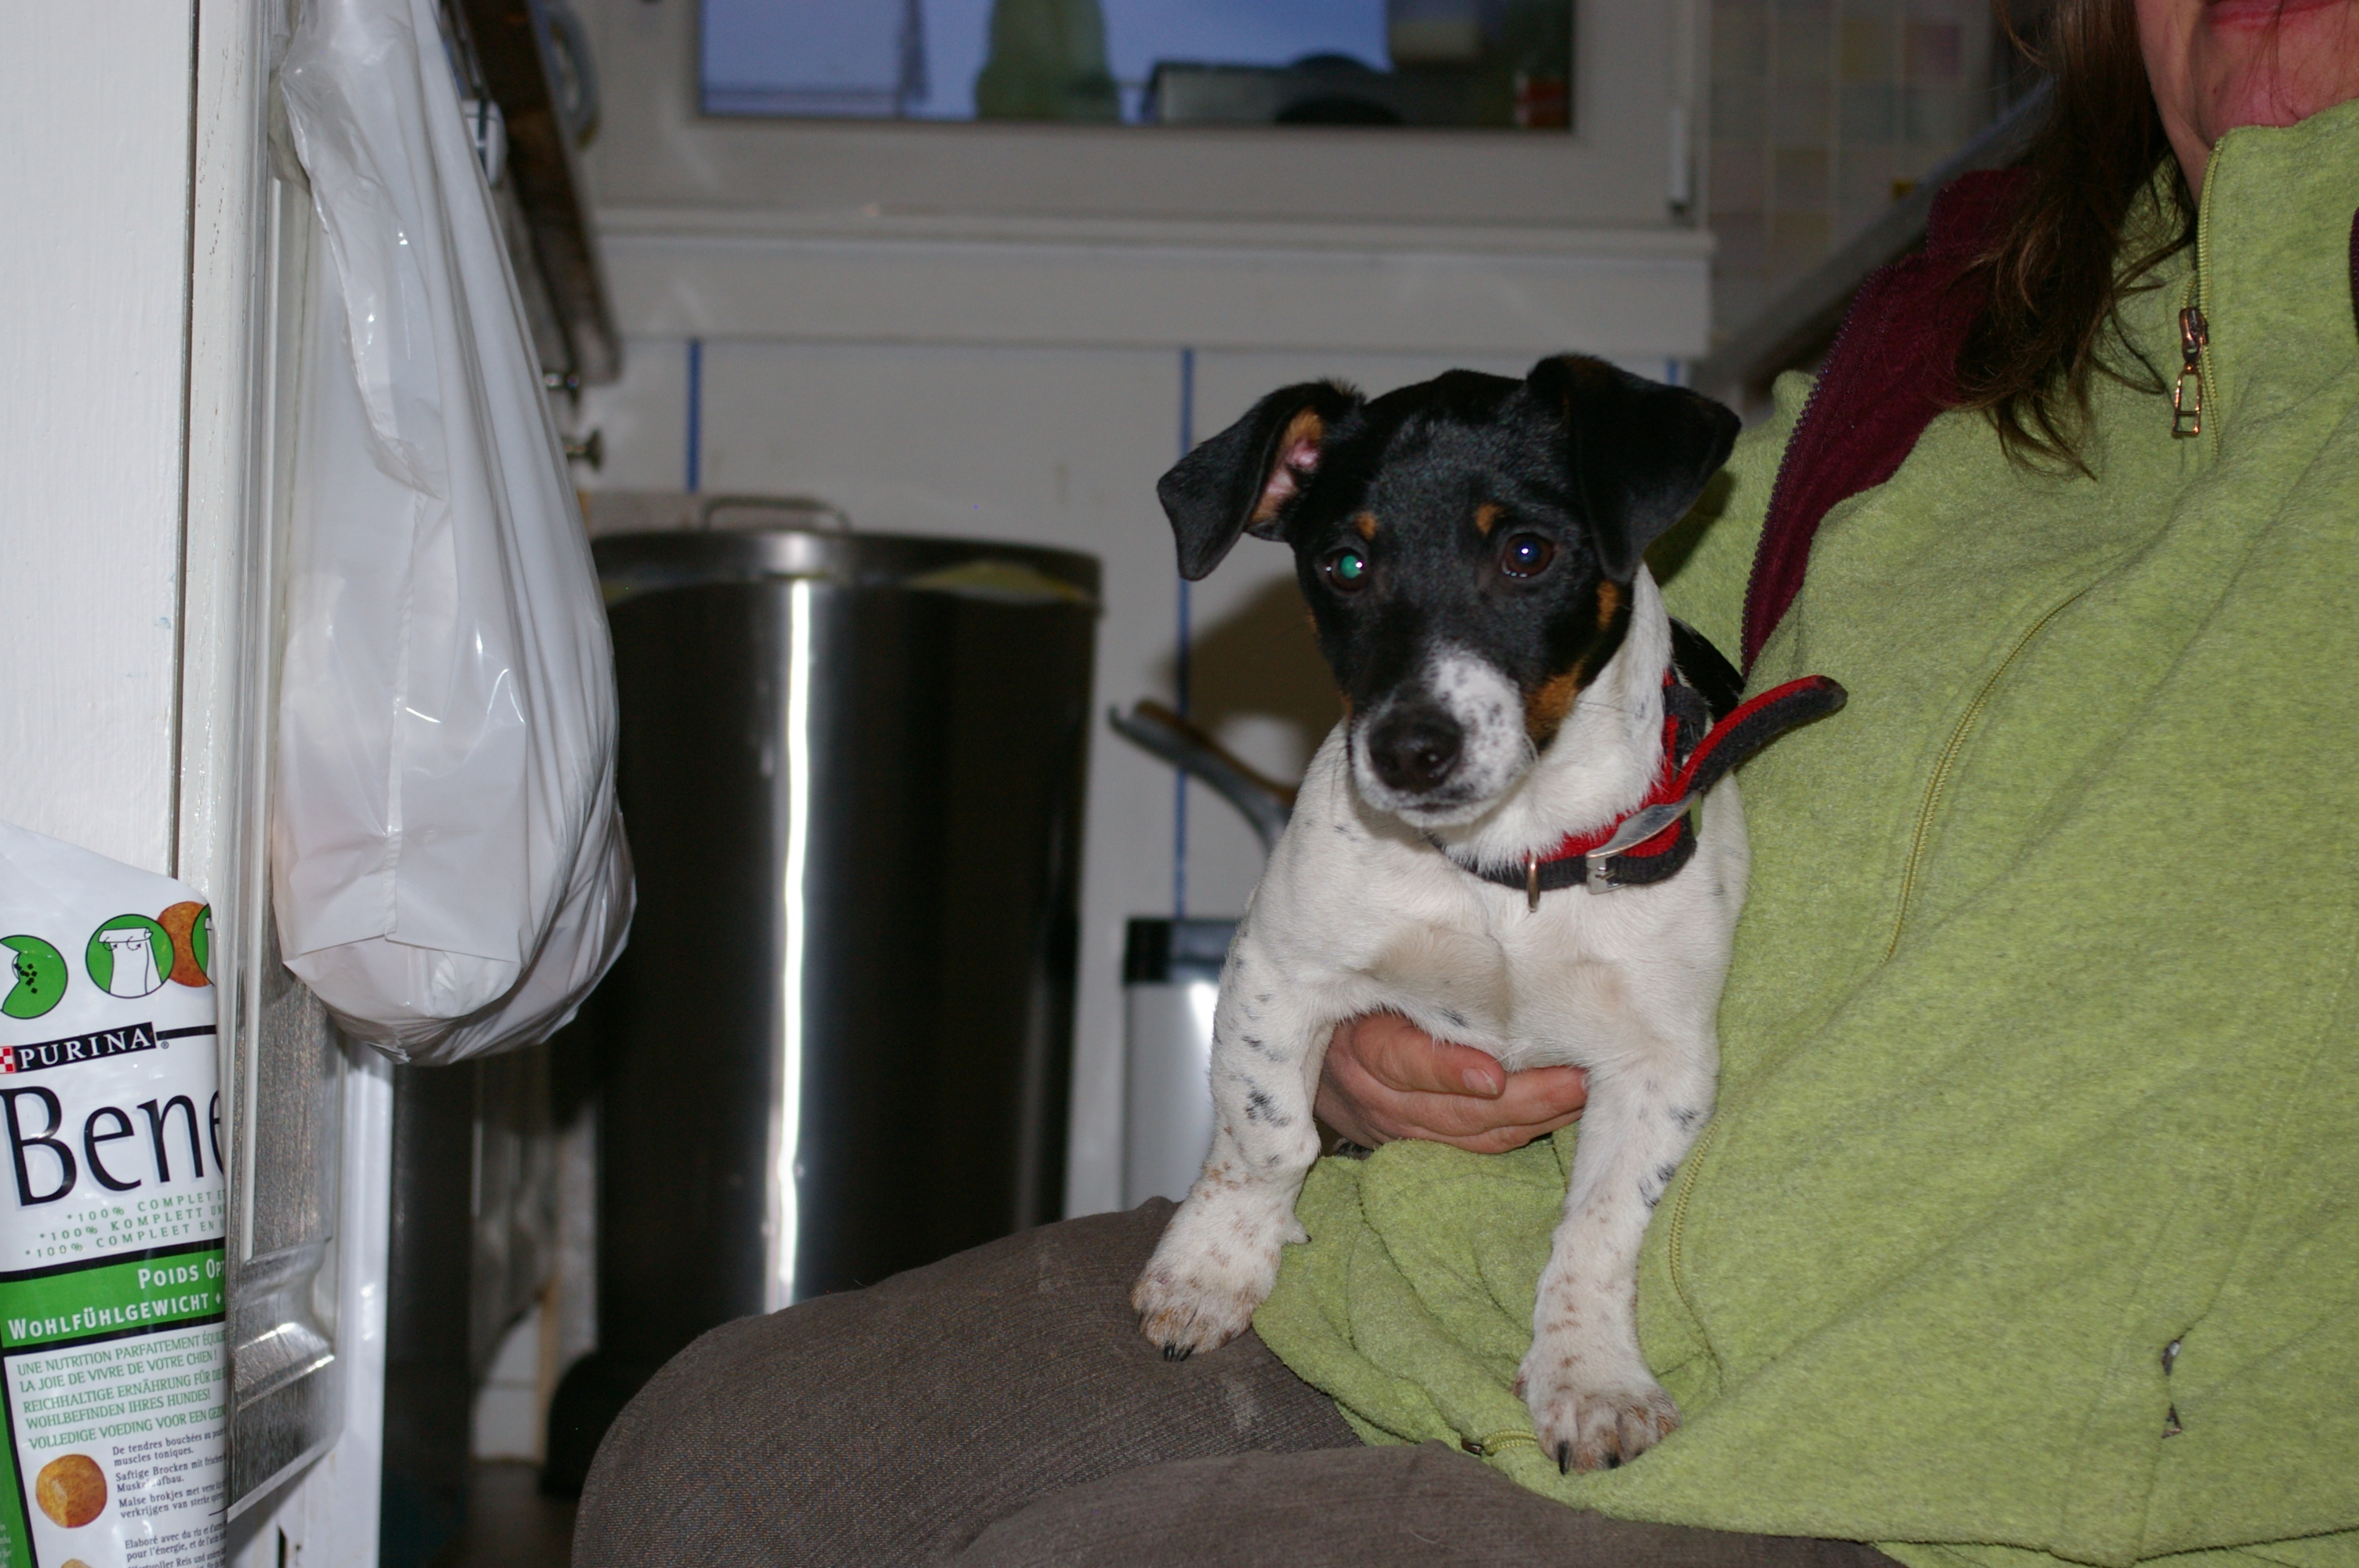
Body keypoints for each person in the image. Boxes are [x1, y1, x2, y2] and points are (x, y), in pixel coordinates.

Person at [573, 1, 2359, 1561]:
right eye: (1357, 571)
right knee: (705, 1468)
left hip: (1868, 1377)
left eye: (1515, 561)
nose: (1428, 691)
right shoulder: (1960, 319)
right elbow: (1336, 930)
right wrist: (1321, 1107)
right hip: (1415, 1250)